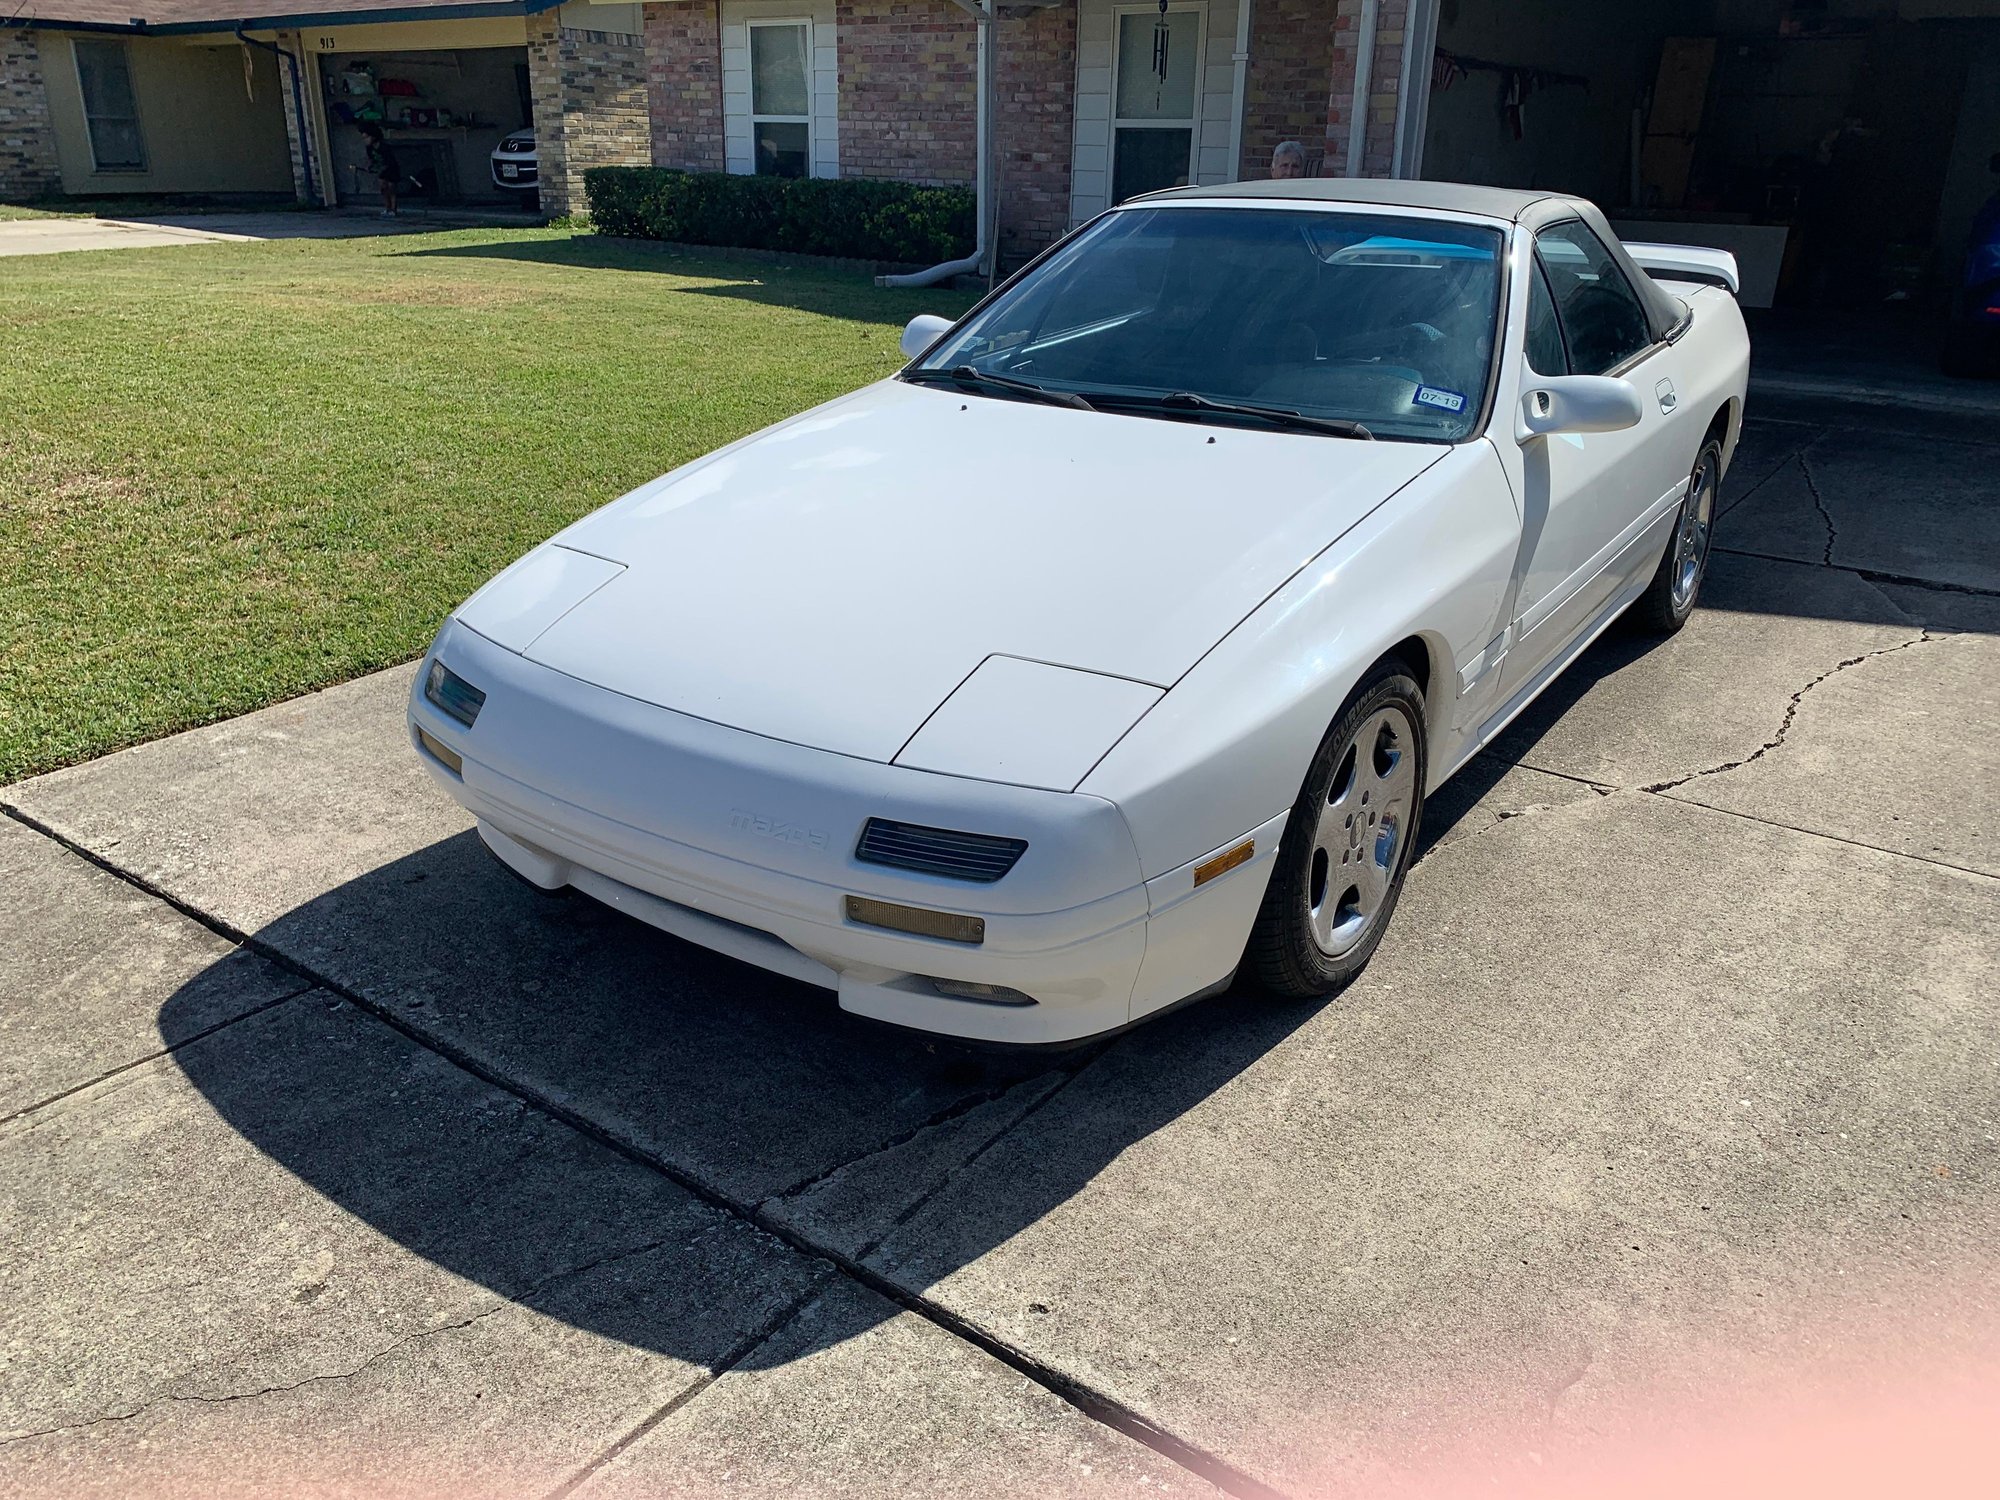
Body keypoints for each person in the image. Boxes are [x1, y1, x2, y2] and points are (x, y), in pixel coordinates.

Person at [360, 123, 401, 217]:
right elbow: (371, 159)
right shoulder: (369, 148)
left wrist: (380, 168)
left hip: (391, 169)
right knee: (383, 189)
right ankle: (387, 208)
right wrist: (369, 166)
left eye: (366, 137)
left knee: (391, 188)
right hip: (381, 170)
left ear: (374, 136)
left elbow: (389, 161)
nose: (365, 140)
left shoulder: (384, 147)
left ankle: (393, 209)